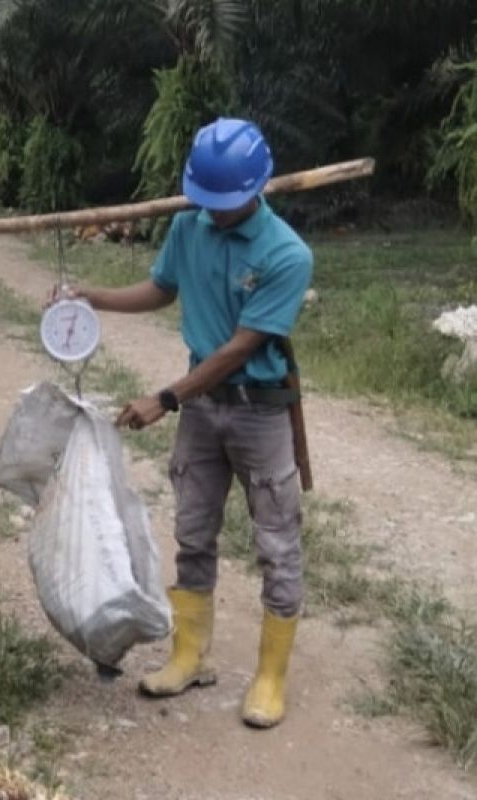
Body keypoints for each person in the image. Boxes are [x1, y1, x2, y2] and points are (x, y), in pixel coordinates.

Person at [70, 118, 313, 728]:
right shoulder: (189, 223)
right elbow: (160, 289)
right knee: (192, 530)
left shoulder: (287, 254)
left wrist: (165, 398)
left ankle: (270, 676)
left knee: (277, 543)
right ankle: (188, 654)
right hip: (203, 411)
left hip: (259, 410)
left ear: (257, 189)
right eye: (207, 202)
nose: (215, 213)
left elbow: (239, 348)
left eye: (224, 204)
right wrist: (90, 295)